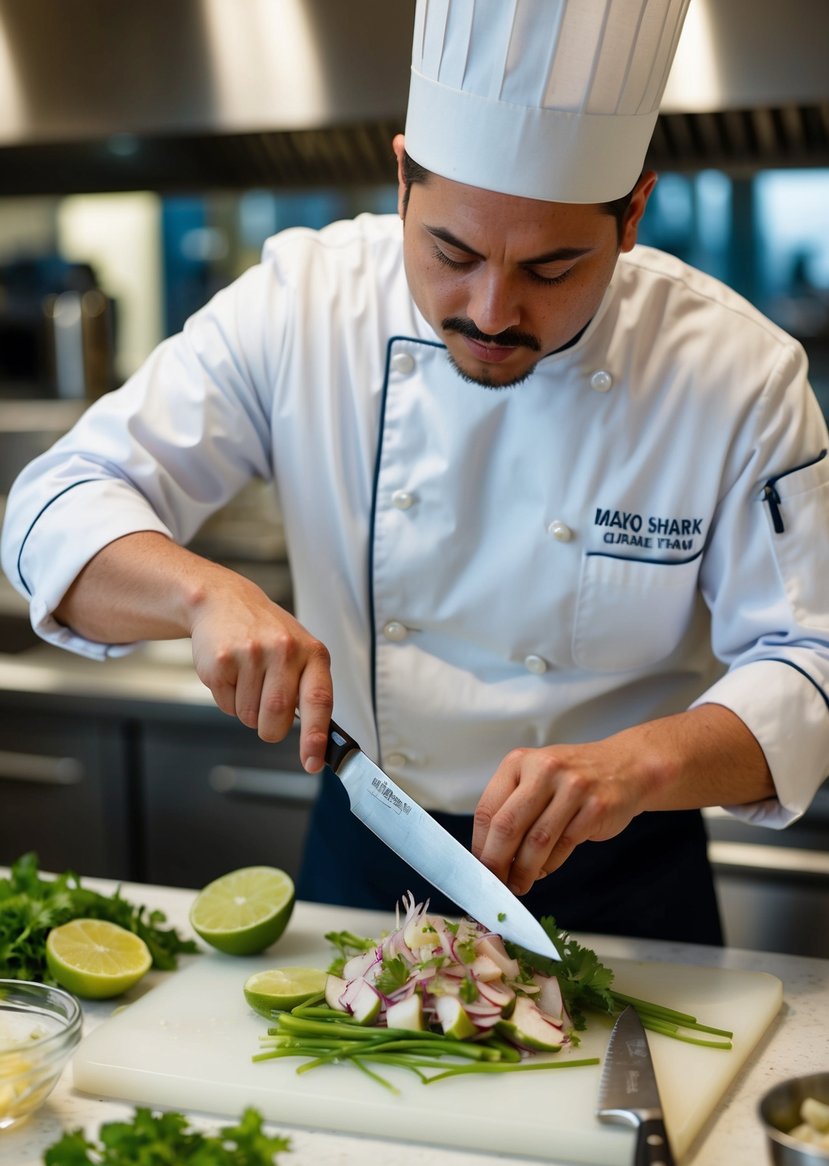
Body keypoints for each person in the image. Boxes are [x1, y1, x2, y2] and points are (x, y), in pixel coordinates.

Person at [3, 0, 829, 945]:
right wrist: (199, 597)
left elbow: (810, 661)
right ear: (401, 176)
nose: (490, 309)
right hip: (370, 862)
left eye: (552, 270)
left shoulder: (736, 374)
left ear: (633, 212)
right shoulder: (302, 305)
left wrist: (639, 766)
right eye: (452, 252)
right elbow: (53, 505)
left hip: (631, 890)